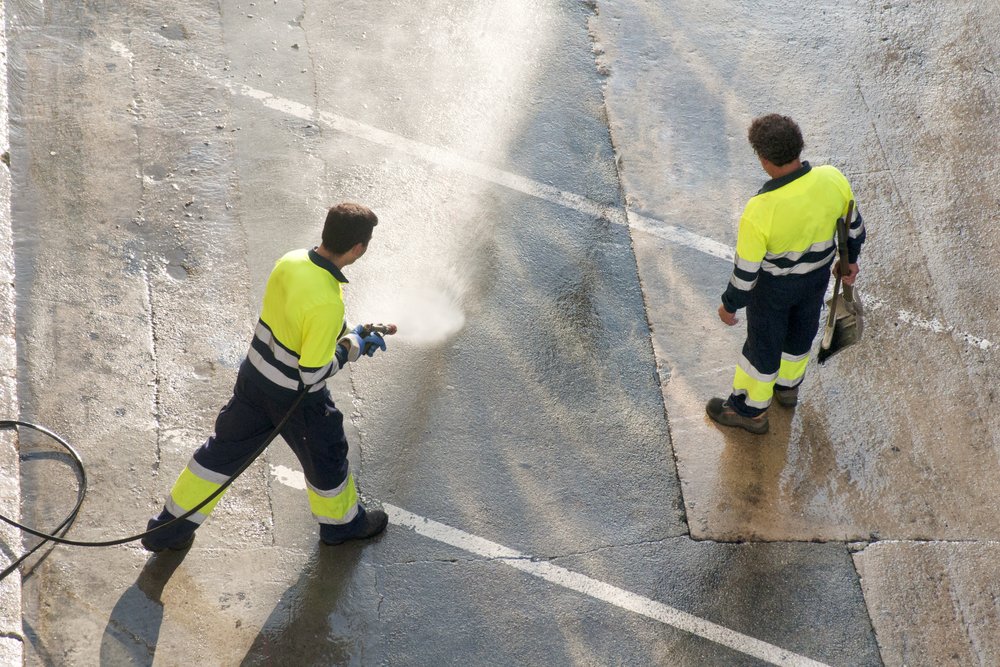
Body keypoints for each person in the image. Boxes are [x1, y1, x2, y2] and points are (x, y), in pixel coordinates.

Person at [142, 202, 391, 551]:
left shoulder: (291, 261)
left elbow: (294, 321)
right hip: (294, 399)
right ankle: (342, 526)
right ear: (358, 249)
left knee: (220, 456)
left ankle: (166, 532)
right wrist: (353, 346)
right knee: (327, 454)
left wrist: (349, 332)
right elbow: (313, 373)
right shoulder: (326, 301)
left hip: (254, 379)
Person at [707, 114, 866, 434]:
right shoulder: (832, 178)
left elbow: (746, 274)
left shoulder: (760, 210)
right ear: (798, 144)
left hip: (773, 291)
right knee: (801, 331)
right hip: (816, 280)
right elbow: (854, 228)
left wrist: (729, 305)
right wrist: (850, 261)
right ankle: (788, 388)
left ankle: (749, 410)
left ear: (764, 160)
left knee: (762, 346)